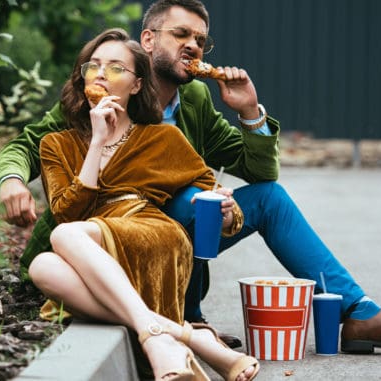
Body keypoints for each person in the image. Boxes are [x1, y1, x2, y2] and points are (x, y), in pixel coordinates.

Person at [0, 0, 381, 354]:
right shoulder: (101, 87)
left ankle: (357, 312)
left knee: (263, 198)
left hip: (165, 238)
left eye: (200, 39)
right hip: (93, 243)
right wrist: (11, 179)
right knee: (191, 197)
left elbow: (257, 170)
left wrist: (249, 112)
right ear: (148, 41)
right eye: (181, 34)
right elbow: (28, 145)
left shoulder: (193, 102)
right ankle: (186, 314)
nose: (193, 45)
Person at [28, 27, 259, 381]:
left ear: (137, 85)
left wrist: (229, 212)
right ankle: (175, 334)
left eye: (117, 68)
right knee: (42, 266)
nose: (102, 73)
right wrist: (97, 142)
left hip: (153, 234)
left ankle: (160, 339)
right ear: (82, 76)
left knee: (64, 239)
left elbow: (218, 199)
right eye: (93, 65)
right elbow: (67, 213)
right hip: (92, 245)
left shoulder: (162, 137)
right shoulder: (56, 145)